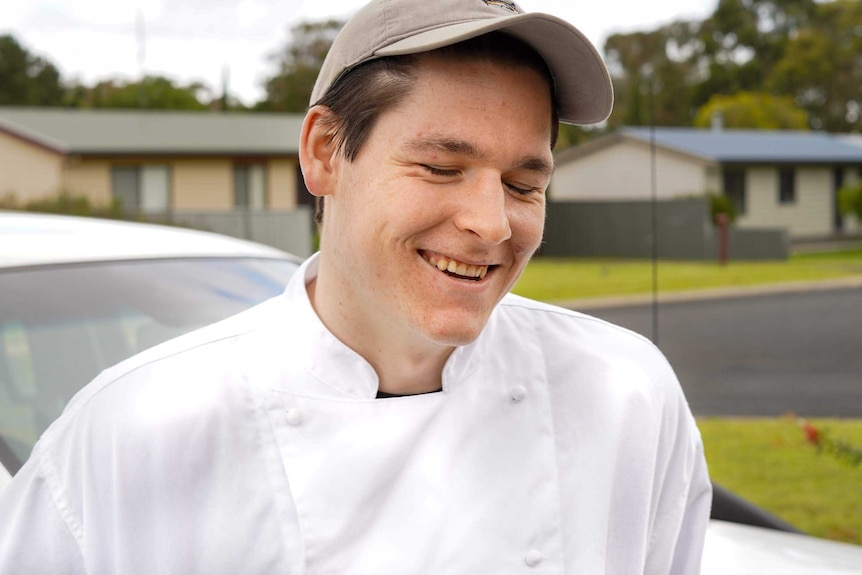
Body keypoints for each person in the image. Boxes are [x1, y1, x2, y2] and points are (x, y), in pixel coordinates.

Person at [0, 0, 711, 572]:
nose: (492, 223)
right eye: (440, 167)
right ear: (323, 153)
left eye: (524, 183)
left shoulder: (627, 396)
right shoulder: (131, 437)